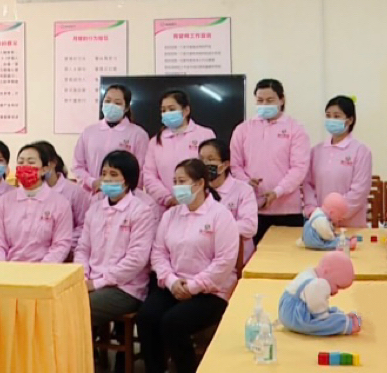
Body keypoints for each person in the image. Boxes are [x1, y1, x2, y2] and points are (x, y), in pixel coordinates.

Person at [137, 159, 239, 373]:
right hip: (174, 284)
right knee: (147, 317)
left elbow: (224, 262)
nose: (177, 187)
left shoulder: (221, 216)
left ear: (200, 184)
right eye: (174, 181)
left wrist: (193, 287)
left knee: (173, 323)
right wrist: (172, 282)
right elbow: (158, 253)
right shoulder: (171, 215)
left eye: (182, 181)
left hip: (211, 292)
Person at [74, 150, 156, 325]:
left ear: (128, 180)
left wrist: (98, 283)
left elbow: (136, 259)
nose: (107, 179)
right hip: (91, 281)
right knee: (59, 302)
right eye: (104, 174)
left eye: (113, 174)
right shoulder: (95, 209)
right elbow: (83, 249)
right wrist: (84, 277)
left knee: (77, 307)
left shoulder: (142, 211)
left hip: (126, 288)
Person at [230, 79, 311, 244]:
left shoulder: (295, 129)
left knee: (287, 255)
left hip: (287, 210)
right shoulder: (243, 129)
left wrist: (277, 192)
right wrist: (246, 182)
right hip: (252, 209)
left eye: (270, 100)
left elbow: (299, 168)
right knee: (256, 256)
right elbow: (235, 165)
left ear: (282, 100)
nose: (264, 105)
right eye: (260, 100)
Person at [0, 143, 74, 262]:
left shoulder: (60, 203)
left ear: (44, 169)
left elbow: (61, 245)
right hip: (9, 267)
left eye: (31, 162)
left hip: (45, 269)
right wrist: (1, 265)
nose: (25, 166)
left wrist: (42, 268)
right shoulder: (4, 201)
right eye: (21, 162)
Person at [302, 96, 372, 228]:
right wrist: (314, 212)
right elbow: (308, 184)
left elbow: (359, 191)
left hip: (351, 225)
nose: (331, 120)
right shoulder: (316, 151)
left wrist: (333, 214)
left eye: (337, 116)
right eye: (328, 116)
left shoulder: (361, 151)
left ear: (350, 120)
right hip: (319, 223)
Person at [144, 91, 216, 211]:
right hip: (166, 207)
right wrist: (167, 198)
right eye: (163, 110)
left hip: (199, 204)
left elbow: (211, 169)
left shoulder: (205, 134)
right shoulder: (155, 141)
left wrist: (195, 196)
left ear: (186, 110)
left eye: (172, 109)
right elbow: (149, 175)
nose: (167, 113)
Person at [72, 85, 150, 193]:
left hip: (124, 195)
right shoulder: (89, 132)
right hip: (91, 194)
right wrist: (92, 182)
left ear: (126, 107)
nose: (111, 106)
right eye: (108, 101)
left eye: (117, 103)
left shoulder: (138, 134)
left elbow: (141, 172)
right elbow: (77, 166)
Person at [198, 138, 258, 265]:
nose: (204, 164)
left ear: (224, 165)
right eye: (201, 159)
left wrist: (214, 228)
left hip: (237, 259)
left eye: (210, 159)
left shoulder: (243, 190)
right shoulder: (197, 190)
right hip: (204, 259)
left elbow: (250, 226)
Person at [278, 252, 360, 336]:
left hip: (286, 311)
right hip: (294, 316)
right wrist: (324, 317)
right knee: (322, 324)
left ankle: (338, 317)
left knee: (324, 310)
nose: (336, 292)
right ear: (326, 271)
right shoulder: (320, 283)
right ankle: (345, 325)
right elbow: (318, 309)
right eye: (337, 286)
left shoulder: (309, 273)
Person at [33, 140, 90, 253]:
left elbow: (83, 226)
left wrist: (61, 244)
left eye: (41, 163)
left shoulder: (75, 191)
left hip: (66, 250)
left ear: (53, 163)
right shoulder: (30, 192)